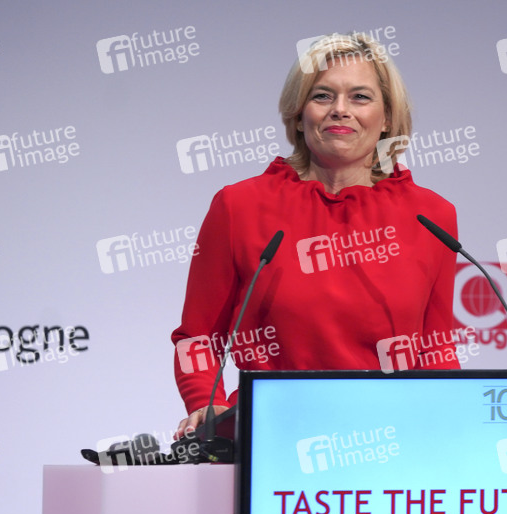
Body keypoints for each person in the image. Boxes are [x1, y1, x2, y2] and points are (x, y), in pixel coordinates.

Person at [172, 33, 461, 439]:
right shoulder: (238, 206)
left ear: (388, 118)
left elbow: (436, 348)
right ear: (298, 114)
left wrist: (450, 426)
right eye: (322, 96)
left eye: (360, 97)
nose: (340, 109)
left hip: (391, 438)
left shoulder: (431, 216)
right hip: (271, 433)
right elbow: (198, 336)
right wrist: (207, 403)